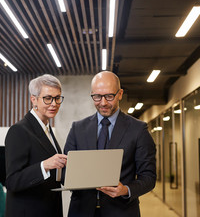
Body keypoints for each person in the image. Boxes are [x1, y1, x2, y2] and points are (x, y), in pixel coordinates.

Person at [64, 71, 156, 217]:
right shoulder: (77, 128)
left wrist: (125, 190)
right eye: (97, 97)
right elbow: (65, 172)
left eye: (109, 96)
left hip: (121, 211)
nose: (103, 102)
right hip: (81, 211)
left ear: (120, 94)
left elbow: (149, 178)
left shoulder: (138, 130)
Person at [5, 74, 68, 217]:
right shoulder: (19, 130)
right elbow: (12, 181)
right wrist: (44, 165)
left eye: (57, 98)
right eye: (47, 98)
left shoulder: (47, 129)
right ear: (33, 99)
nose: (54, 103)